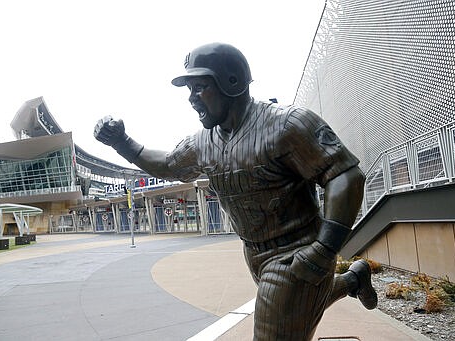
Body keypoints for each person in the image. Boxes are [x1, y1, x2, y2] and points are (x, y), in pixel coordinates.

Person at [94, 42, 377, 340]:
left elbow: (345, 175)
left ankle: (344, 279)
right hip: (254, 252)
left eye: (200, 87)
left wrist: (323, 250)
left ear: (231, 82)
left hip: (297, 250)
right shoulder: (202, 143)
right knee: (298, 303)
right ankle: (353, 279)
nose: (191, 98)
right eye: (189, 90)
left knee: (277, 324)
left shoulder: (287, 124)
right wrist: (122, 142)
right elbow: (167, 164)